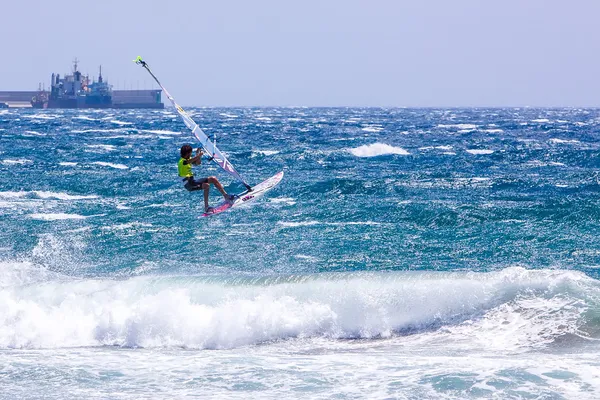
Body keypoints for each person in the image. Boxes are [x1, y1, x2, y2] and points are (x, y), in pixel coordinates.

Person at [178, 144, 235, 213]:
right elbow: (188, 162)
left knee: (213, 179)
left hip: (192, 181)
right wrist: (198, 155)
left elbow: (198, 163)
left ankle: (226, 196)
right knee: (206, 186)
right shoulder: (182, 161)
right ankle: (206, 207)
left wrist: (197, 153)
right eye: (190, 153)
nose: (191, 154)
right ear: (187, 153)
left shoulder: (189, 159)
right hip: (188, 184)